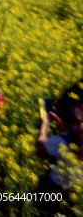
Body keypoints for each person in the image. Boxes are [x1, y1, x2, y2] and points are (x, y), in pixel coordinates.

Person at [36, 83, 83, 213]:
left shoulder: (58, 143)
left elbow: (40, 149)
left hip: (57, 193)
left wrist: (45, 123)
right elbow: (75, 133)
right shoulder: (75, 141)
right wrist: (64, 123)